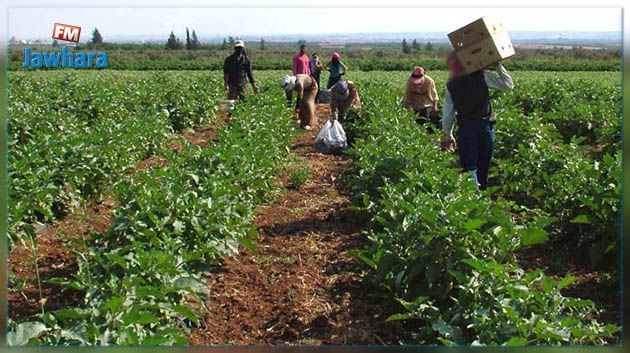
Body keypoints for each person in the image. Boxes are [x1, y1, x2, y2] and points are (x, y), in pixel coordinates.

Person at [441, 51, 514, 191]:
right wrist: (498, 65)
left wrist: (447, 133)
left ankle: (474, 199)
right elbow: (508, 85)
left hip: (466, 128)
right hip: (485, 127)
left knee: (470, 167)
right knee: (483, 165)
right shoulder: (483, 76)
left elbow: (448, 113)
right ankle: (482, 195)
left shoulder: (451, 84)